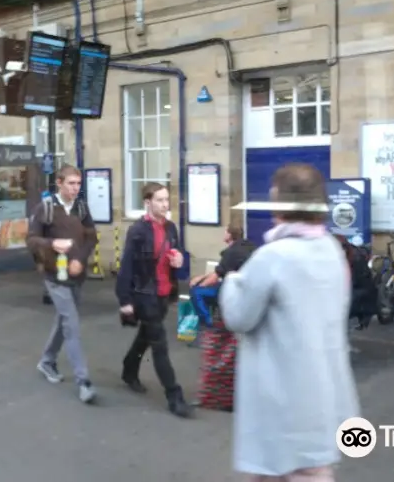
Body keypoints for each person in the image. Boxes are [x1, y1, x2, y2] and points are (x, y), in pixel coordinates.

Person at [218, 164, 359, 482]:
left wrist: (233, 281)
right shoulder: (332, 251)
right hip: (324, 399)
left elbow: (238, 316)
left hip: (282, 405)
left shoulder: (273, 257)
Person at [116, 182, 193, 418]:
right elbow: (127, 265)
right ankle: (174, 395)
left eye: (166, 199)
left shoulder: (170, 228)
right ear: (147, 203)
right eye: (159, 200)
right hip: (144, 295)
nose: (165, 204)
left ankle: (129, 370)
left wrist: (179, 259)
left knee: (145, 338)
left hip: (164, 292)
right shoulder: (138, 230)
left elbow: (177, 254)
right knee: (160, 345)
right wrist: (125, 299)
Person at [26, 165, 99, 404]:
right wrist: (51, 243)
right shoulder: (45, 208)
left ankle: (47, 361)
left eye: (78, 184)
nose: (75, 188)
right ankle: (83, 381)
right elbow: (31, 239)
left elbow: (91, 237)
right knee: (72, 324)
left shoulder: (81, 207)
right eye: (71, 183)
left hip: (76, 274)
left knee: (63, 319)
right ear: (59, 183)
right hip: (54, 275)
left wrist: (80, 259)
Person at [188, 224, 256, 328]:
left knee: (196, 292)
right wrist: (202, 276)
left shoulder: (231, 252)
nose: (224, 234)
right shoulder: (249, 247)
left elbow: (214, 277)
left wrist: (199, 285)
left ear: (230, 235)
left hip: (233, 291)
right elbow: (222, 269)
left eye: (225, 232)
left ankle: (208, 324)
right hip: (249, 289)